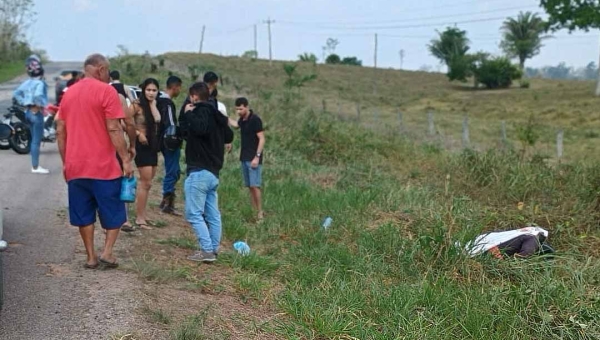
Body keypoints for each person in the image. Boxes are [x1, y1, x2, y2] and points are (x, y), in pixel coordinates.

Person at [55, 53, 133, 269]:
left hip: (76, 167)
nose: (108, 75)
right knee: (114, 209)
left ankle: (90, 256)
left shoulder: (69, 94)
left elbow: (60, 131)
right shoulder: (106, 91)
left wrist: (65, 162)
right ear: (100, 69)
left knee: (83, 213)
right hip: (104, 167)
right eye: (107, 71)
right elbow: (114, 128)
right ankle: (107, 252)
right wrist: (126, 159)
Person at [180, 82, 233, 263]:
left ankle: (207, 251)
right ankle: (214, 249)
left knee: (194, 213)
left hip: (199, 171)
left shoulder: (199, 111)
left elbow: (199, 128)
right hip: (213, 173)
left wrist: (188, 113)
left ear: (194, 96)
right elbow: (229, 136)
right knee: (213, 214)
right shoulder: (218, 114)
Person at [132, 78, 162, 230]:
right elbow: (125, 122)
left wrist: (153, 104)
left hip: (152, 146)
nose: (151, 93)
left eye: (154, 90)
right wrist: (138, 133)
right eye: (148, 90)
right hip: (141, 145)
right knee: (146, 182)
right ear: (144, 90)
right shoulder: (136, 105)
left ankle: (143, 214)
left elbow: (157, 119)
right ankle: (139, 218)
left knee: (148, 183)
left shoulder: (154, 105)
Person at [13, 57, 50, 174]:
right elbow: (39, 95)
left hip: (27, 112)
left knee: (32, 139)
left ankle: (34, 165)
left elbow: (16, 93)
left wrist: (25, 102)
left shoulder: (27, 82)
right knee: (36, 142)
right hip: (36, 113)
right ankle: (35, 167)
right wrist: (39, 105)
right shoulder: (40, 83)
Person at [232, 97, 265, 220]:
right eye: (237, 109)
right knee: (250, 186)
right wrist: (224, 118)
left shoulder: (255, 120)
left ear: (246, 106)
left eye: (241, 109)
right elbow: (236, 125)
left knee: (255, 185)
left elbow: (262, 138)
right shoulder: (242, 120)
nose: (239, 112)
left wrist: (257, 157)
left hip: (253, 157)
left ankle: (260, 212)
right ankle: (254, 211)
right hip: (244, 156)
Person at [158, 76, 183, 215]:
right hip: (169, 141)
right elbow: (171, 123)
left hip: (161, 141)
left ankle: (167, 199)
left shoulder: (158, 99)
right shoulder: (167, 102)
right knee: (173, 171)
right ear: (175, 87)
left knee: (173, 170)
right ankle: (168, 202)